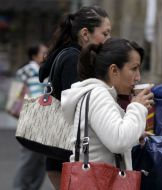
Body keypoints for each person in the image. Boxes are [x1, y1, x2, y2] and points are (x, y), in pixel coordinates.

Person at [38, 5, 111, 189]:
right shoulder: (73, 59)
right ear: (85, 34)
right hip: (68, 156)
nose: (108, 40)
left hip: (61, 155)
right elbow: (80, 107)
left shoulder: (68, 54)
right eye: (105, 34)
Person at [61, 38, 154, 172]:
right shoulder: (99, 95)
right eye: (134, 69)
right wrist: (137, 107)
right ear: (114, 70)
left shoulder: (100, 94)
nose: (138, 77)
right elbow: (118, 142)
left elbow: (106, 140)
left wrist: (136, 134)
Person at [13, 43, 48, 190]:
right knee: (28, 159)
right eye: (44, 53)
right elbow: (13, 97)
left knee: (42, 160)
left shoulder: (46, 72)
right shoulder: (25, 71)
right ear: (34, 56)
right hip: (31, 121)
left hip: (47, 121)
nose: (47, 56)